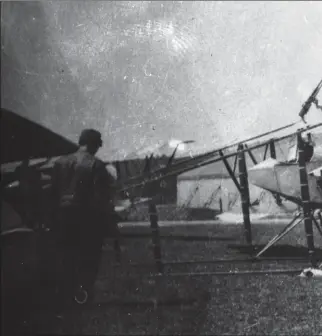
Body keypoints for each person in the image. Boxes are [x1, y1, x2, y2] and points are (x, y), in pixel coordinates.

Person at [50, 129, 118, 306]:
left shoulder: (60, 163)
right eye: (97, 145)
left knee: (66, 256)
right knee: (88, 257)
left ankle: (65, 295)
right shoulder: (96, 165)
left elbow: (52, 193)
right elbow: (99, 198)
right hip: (87, 217)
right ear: (93, 144)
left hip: (62, 217)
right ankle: (83, 295)